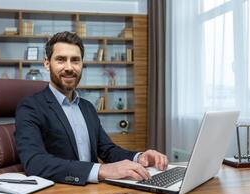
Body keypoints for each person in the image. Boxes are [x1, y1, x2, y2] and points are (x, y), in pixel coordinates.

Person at [15, 31, 168, 185]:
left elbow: (107, 150)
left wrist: (139, 157)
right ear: (47, 64)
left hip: (94, 191)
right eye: (61, 60)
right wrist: (100, 170)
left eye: (75, 60)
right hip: (60, 191)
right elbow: (35, 162)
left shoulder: (87, 107)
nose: (69, 67)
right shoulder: (30, 107)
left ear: (82, 64)